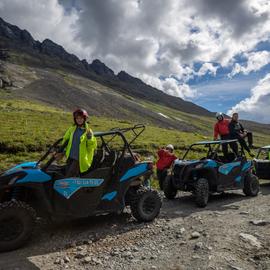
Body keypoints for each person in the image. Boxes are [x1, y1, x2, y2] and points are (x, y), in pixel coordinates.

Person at [56, 108, 97, 177]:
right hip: (70, 156)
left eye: (81, 118)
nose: (79, 120)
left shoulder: (88, 131)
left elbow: (92, 146)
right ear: (75, 119)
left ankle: (67, 187)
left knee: (70, 175)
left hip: (79, 158)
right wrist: (61, 151)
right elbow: (65, 139)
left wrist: (89, 138)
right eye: (77, 118)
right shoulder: (72, 129)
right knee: (68, 172)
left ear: (84, 119)